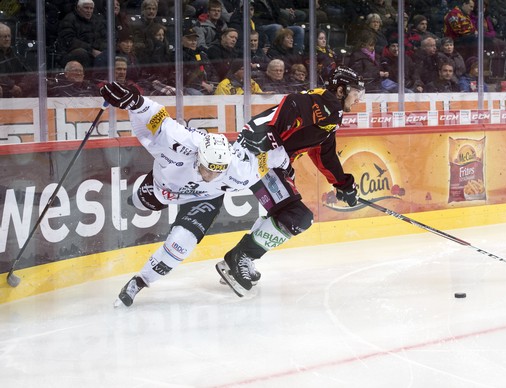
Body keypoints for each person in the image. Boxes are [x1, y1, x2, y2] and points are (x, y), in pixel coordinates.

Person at [99, 81, 289, 307]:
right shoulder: (180, 142)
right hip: (164, 189)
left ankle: (140, 281)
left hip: (203, 199)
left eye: (218, 171)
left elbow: (272, 157)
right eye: (208, 168)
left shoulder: (238, 170)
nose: (211, 175)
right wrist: (134, 102)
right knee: (140, 201)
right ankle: (137, 200)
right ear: (199, 157)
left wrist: (288, 162)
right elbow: (157, 117)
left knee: (182, 242)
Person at [215, 66, 364, 297]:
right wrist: (271, 148)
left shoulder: (331, 112)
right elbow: (291, 102)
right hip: (257, 157)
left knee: (287, 215)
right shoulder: (319, 103)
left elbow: (324, 153)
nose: (358, 100)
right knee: (298, 216)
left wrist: (343, 184)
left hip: (268, 160)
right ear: (342, 90)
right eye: (356, 93)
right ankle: (241, 257)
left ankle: (237, 257)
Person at [56, 0, 107, 70]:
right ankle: (86, 78)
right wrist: (91, 50)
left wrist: (102, 49)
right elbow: (69, 41)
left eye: (91, 8)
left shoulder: (97, 20)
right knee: (82, 54)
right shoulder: (69, 19)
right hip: (69, 54)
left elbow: (103, 37)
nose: (89, 11)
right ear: (78, 8)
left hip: (94, 51)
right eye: (86, 8)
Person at [182, 24, 217, 95]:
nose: (193, 42)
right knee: (198, 95)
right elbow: (185, 74)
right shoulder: (180, 55)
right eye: (190, 40)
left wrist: (212, 83)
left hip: (207, 85)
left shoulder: (202, 54)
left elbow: (213, 71)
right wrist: (202, 84)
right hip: (189, 86)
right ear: (182, 40)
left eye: (195, 40)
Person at [0, 22, 32, 98]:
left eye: (9, 36)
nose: (7, 39)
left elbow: (27, 72)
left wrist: (22, 86)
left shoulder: (13, 54)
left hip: (16, 88)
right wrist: (12, 86)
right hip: (5, 88)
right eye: (4, 37)